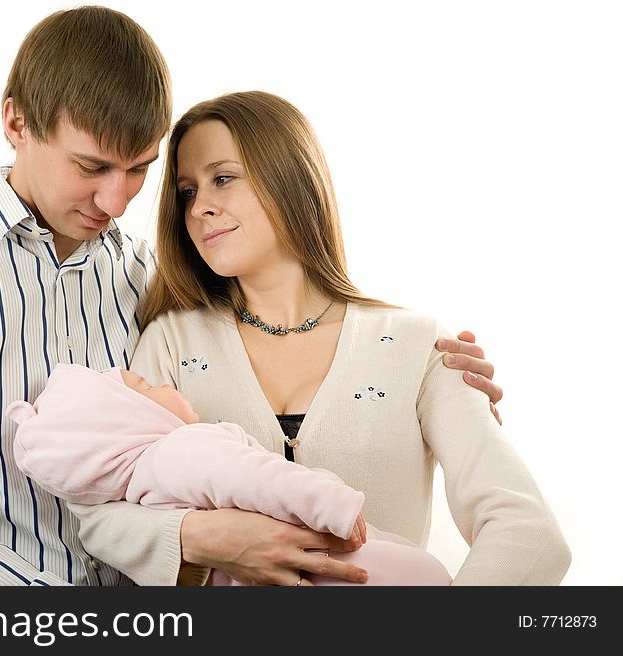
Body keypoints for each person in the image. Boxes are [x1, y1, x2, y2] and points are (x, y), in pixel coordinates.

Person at [0, 6, 502, 587]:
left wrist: (437, 378)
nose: (116, 200)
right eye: (91, 167)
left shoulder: (148, 279)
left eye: (139, 169)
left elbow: (285, 331)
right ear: (15, 120)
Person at [74, 91, 570, 586]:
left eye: (222, 178)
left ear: (289, 176)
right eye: (187, 192)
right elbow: (104, 516)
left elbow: (529, 534)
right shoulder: (170, 343)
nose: (200, 206)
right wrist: (199, 537)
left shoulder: (419, 346)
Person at [7, 363, 453, 586]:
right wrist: (331, 502)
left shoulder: (140, 485)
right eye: (146, 388)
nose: (166, 386)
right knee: (424, 574)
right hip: (317, 554)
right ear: (131, 417)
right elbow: (256, 476)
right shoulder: (181, 448)